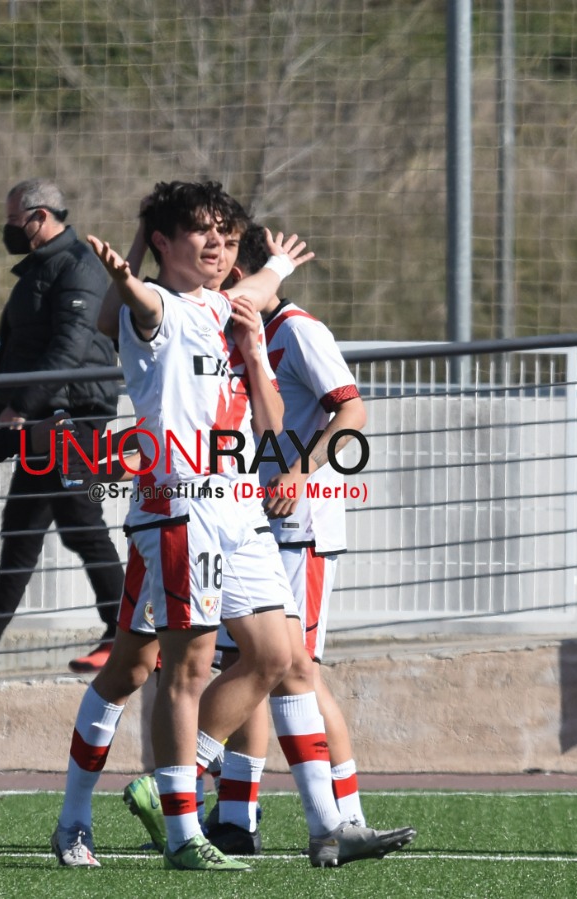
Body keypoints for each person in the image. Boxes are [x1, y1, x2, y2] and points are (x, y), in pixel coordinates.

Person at [54, 181, 410, 871]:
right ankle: (170, 829)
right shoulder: (162, 307)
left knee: (278, 658)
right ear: (164, 243)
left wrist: (253, 351)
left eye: (225, 233)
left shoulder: (235, 306)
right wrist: (127, 272)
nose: (218, 245)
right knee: (167, 668)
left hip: (243, 512)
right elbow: (132, 304)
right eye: (201, 233)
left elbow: (273, 423)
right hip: (180, 509)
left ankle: (313, 822)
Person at [202, 223, 399, 853]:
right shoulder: (250, 335)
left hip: (301, 527)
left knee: (298, 672)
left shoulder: (300, 330)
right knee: (250, 669)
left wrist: (297, 469)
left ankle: (346, 817)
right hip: (259, 521)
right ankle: (235, 820)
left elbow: (353, 411)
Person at [0, 179, 125, 676]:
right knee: (22, 531)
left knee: (82, 528)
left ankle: (126, 639)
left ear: (39, 217)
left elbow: (70, 348)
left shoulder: (77, 267)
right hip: (46, 420)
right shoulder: (46, 268)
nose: (8, 229)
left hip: (70, 419)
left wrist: (21, 406)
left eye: (13, 219)